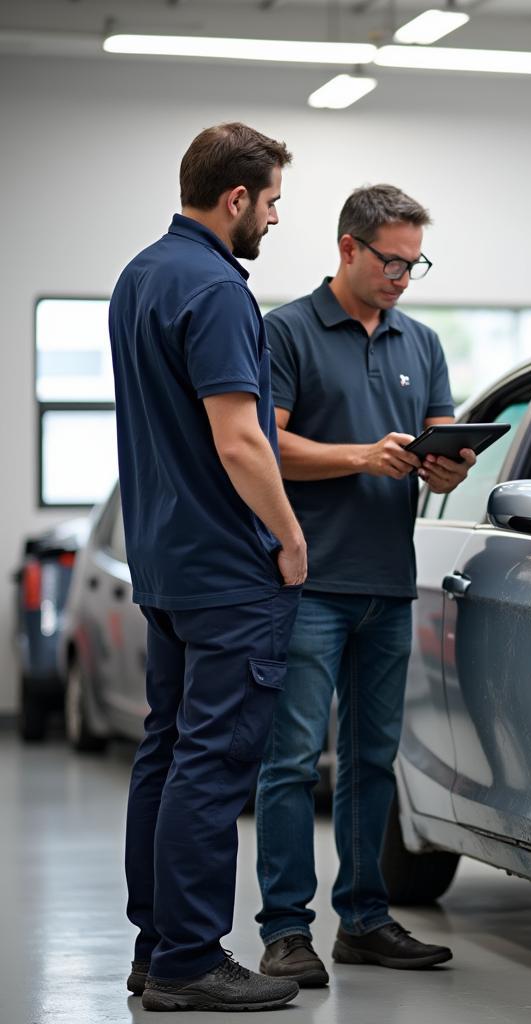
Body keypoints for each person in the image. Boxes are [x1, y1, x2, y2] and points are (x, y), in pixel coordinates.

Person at [109, 122, 308, 1013]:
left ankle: (157, 948)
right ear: (236, 200)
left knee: (167, 752)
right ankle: (192, 957)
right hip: (228, 565)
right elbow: (239, 437)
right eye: (270, 203)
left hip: (163, 560)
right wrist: (290, 536)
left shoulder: (140, 274)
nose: (272, 219)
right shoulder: (220, 290)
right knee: (213, 761)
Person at [254, 185, 474, 985]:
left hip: (390, 581)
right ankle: (285, 930)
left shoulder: (423, 342)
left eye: (415, 264)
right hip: (310, 581)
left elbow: (440, 451)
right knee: (290, 761)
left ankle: (366, 919)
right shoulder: (284, 333)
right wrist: (360, 455)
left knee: (374, 760)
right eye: (392, 261)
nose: (404, 277)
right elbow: (265, 447)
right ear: (348, 248)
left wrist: (449, 463)